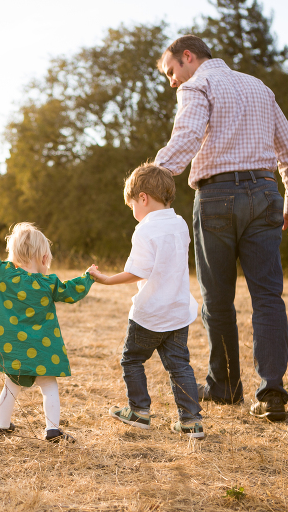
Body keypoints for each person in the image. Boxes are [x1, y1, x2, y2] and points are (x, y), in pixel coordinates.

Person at [154, 35, 288, 421]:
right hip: (265, 194)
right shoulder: (259, 87)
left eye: (171, 71)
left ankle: (224, 387)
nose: (172, 81)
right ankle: (272, 394)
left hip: (217, 197)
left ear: (187, 56)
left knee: (218, 299)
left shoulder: (197, 85)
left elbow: (187, 138)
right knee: (268, 297)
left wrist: (150, 176)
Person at [89, 164, 204, 439]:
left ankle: (139, 411)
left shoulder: (145, 230)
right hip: (178, 312)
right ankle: (191, 422)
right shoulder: (180, 224)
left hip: (150, 313)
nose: (133, 212)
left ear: (143, 198)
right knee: (180, 366)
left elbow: (138, 271)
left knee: (131, 360)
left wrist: (106, 279)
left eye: (132, 206)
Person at [0, 222, 94, 442]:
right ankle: (52, 430)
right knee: (49, 385)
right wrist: (89, 277)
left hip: (14, 350)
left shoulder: (5, 273)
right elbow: (71, 291)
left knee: (11, 385)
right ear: (44, 258)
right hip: (42, 351)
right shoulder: (48, 284)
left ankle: (3, 425)